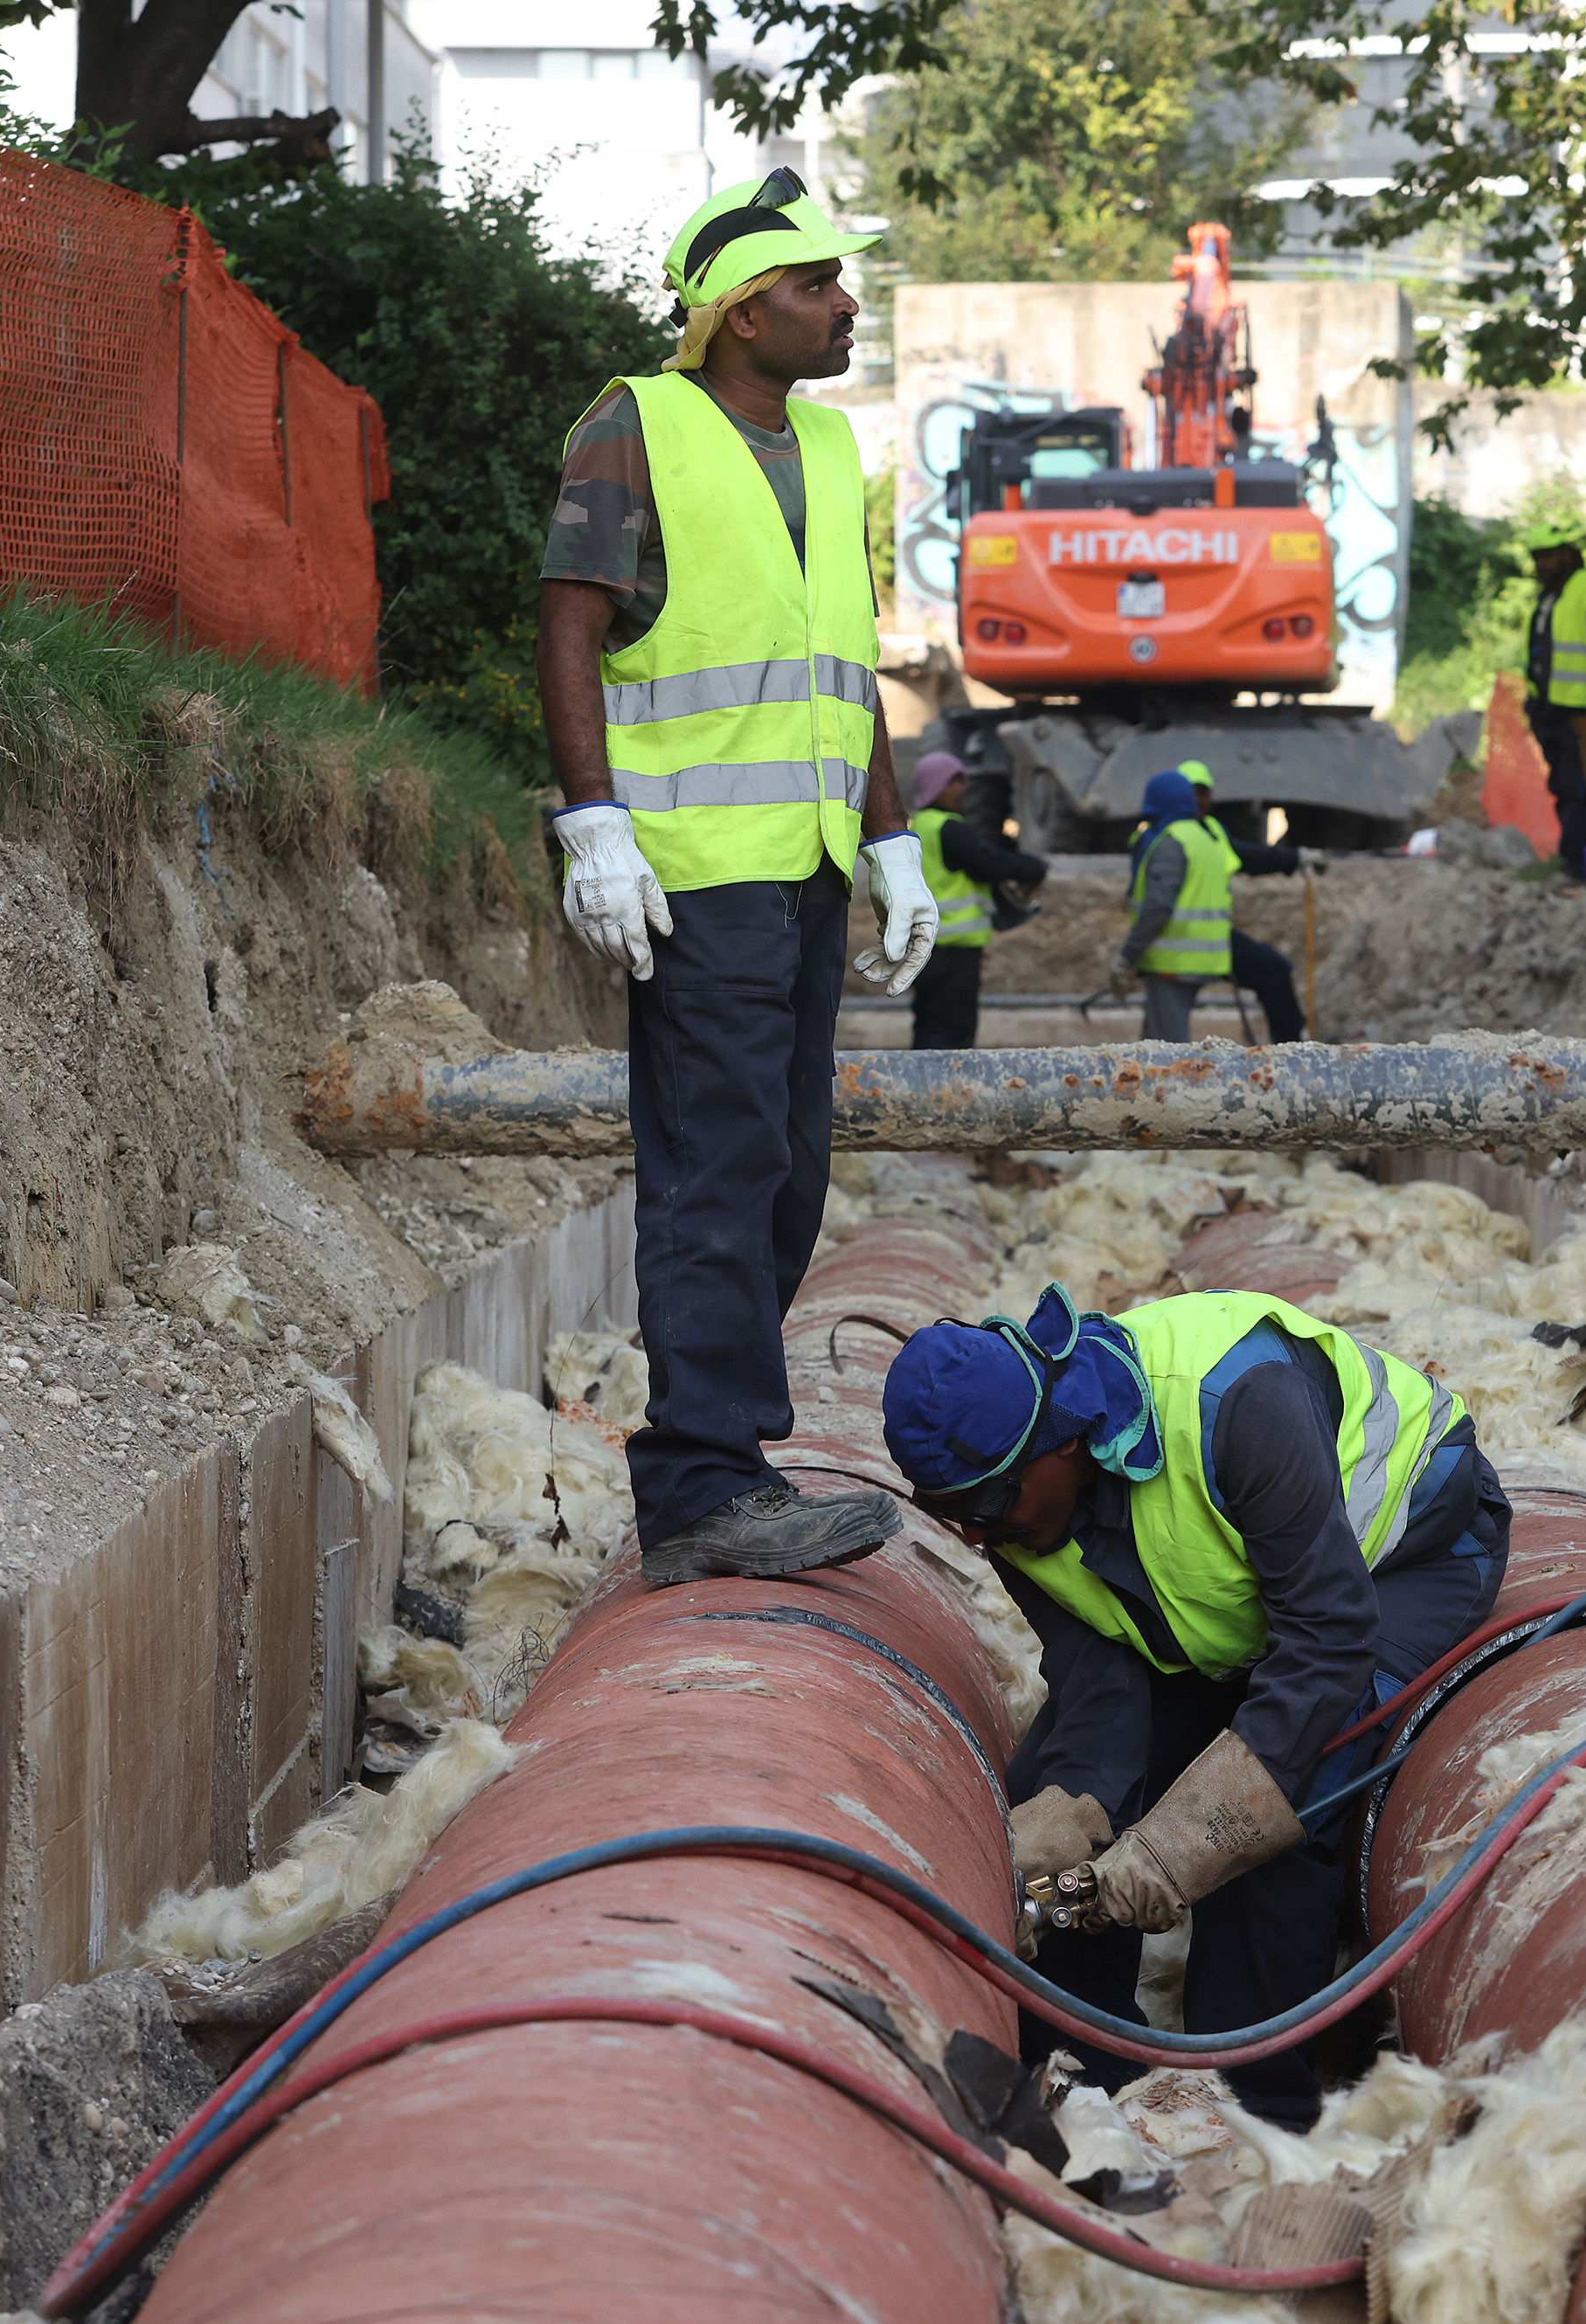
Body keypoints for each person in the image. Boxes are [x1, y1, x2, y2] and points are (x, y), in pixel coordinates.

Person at [537, 171, 940, 1586]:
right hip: (695, 875)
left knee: (784, 1175)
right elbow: (570, 623)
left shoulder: (827, 446)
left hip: (809, 866)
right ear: (744, 312)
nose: (846, 305)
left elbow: (846, 665)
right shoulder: (635, 424)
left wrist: (892, 838)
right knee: (716, 1169)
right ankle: (704, 1484)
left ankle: (723, 1463)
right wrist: (595, 823)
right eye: (818, 285)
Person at [882, 1286, 1512, 2126]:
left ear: (1061, 1440)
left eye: (985, 1507)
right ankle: (1099, 2092)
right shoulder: (1004, 1506)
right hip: (1239, 1615)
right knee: (1049, 1821)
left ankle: (1253, 2119)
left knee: (1275, 1825)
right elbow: (1096, 1678)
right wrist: (1076, 1812)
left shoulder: (1239, 1405)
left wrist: (1183, 1847)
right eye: (944, 1512)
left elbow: (1326, 1641)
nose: (970, 1533)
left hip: (1400, 1561)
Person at [906, 749, 1049, 1051]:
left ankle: (923, 1080)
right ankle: (947, 1081)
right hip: (953, 949)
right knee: (954, 1031)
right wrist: (1034, 867)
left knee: (930, 1024)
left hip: (926, 947)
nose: (963, 788)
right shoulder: (949, 828)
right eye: (954, 781)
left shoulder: (921, 825)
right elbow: (989, 861)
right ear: (935, 785)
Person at [1177, 760, 1319, 1045]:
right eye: (1192, 793)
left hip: (1212, 937)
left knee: (1274, 971)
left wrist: (1294, 858)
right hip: (1177, 943)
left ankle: (1289, 1048)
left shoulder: (1214, 831)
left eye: (1203, 793)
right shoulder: (1170, 837)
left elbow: (1251, 857)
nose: (1198, 801)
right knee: (1170, 1019)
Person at [1520, 522, 1586, 882]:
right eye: (1538, 557)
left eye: (1548, 556)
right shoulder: (1548, 598)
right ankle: (1575, 859)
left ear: (1567, 553)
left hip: (1582, 713)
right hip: (1550, 711)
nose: (1543, 564)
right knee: (1564, 787)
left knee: (1581, 787)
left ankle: (1576, 863)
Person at [1119, 770, 1229, 1040]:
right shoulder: (1205, 839)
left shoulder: (1171, 843)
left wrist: (1128, 956)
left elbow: (1158, 907)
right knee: (1161, 1039)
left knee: (1168, 1047)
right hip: (1204, 957)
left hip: (1174, 959)